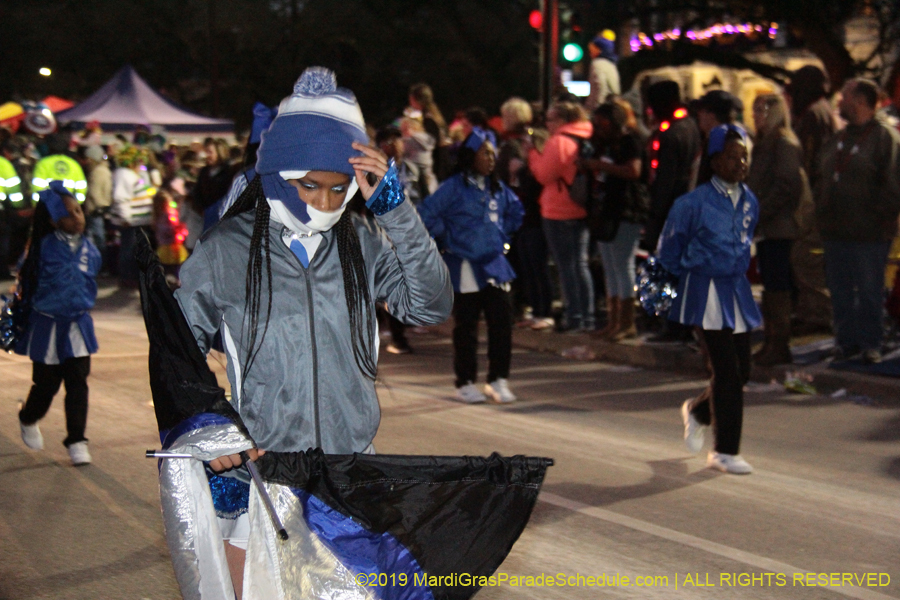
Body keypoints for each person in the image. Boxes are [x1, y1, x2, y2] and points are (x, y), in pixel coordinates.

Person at [174, 67, 452, 596]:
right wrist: (213, 428)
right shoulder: (226, 250)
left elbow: (431, 305)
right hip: (261, 473)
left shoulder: (362, 242)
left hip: (349, 471)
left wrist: (396, 211)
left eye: (339, 189)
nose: (326, 203)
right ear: (279, 174)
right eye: (310, 186)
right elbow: (177, 352)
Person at [658, 125, 761, 474]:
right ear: (714, 162)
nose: (740, 163)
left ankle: (698, 410)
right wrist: (662, 294)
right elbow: (669, 250)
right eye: (732, 157)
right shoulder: (691, 204)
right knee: (727, 372)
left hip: (735, 289)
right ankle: (725, 451)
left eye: (744, 156)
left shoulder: (750, 201)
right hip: (703, 290)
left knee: (742, 370)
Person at [419, 128, 524, 404]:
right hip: (464, 264)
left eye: (493, 153)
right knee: (466, 326)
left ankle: (498, 379)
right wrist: (448, 236)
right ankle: (465, 381)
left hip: (495, 264)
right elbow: (426, 213)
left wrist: (502, 237)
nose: (491, 158)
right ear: (469, 156)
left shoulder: (497, 187)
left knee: (501, 322)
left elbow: (516, 212)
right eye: (484, 153)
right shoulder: (454, 186)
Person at [15, 180, 101, 466]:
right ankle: (28, 417)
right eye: (70, 213)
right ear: (53, 221)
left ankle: (77, 439)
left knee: (78, 382)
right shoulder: (40, 250)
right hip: (48, 326)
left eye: (79, 210)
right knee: (46, 384)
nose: (79, 216)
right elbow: (25, 285)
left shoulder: (91, 249)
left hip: (78, 325)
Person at [815, 78, 900, 364]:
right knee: (840, 291)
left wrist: (880, 218)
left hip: (869, 232)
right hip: (835, 229)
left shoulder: (884, 138)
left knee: (868, 290)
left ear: (861, 102)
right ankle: (846, 341)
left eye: (845, 97)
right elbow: (823, 175)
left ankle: (870, 342)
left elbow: (893, 185)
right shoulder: (839, 139)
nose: (839, 103)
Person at [747, 93, 809, 366]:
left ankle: (779, 342)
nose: (756, 116)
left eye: (761, 110)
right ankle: (772, 339)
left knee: (778, 285)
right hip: (767, 225)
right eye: (754, 110)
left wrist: (762, 209)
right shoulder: (764, 143)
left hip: (779, 225)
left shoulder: (782, 143)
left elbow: (787, 184)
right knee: (771, 285)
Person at [527, 101, 596, 332]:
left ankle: (575, 316)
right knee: (581, 263)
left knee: (567, 266)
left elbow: (544, 176)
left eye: (550, 120)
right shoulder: (587, 136)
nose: (547, 124)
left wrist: (534, 156)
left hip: (559, 208)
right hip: (582, 206)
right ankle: (587, 316)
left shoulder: (559, 142)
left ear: (562, 121)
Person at [584, 100, 649, 341]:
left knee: (623, 265)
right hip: (607, 209)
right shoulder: (605, 144)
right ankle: (613, 321)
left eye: (604, 123)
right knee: (610, 266)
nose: (599, 128)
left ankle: (626, 322)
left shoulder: (630, 142)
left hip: (627, 208)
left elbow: (634, 171)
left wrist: (600, 166)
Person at [786, 66, 837, 335]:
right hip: (820, 196)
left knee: (806, 257)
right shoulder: (823, 110)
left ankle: (817, 313)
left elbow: (808, 159)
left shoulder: (812, 115)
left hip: (813, 198)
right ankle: (810, 311)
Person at [496, 97, 554, 331]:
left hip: (525, 209)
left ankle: (538, 309)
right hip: (532, 208)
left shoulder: (512, 145)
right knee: (529, 264)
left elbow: (505, 176)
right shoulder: (535, 138)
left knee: (531, 264)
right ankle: (535, 308)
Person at [375, 124, 429, 354]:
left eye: (398, 140)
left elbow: (426, 200)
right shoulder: (372, 171)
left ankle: (397, 325)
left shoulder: (413, 170)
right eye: (390, 141)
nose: (395, 145)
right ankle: (397, 337)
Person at [693, 90, 747, 185]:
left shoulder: (720, 143)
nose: (699, 115)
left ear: (711, 116)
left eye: (702, 111)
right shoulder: (732, 137)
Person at [82, 145, 112, 271]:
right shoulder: (104, 170)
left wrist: (98, 205)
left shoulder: (97, 172)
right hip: (100, 209)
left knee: (96, 238)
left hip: (95, 210)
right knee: (96, 237)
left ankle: (98, 265)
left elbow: (94, 192)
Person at [585, 33, 621, 113]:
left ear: (600, 49)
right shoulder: (611, 64)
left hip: (601, 109)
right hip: (612, 106)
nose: (590, 52)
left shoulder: (597, 64)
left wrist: (595, 109)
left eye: (592, 48)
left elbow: (600, 87)